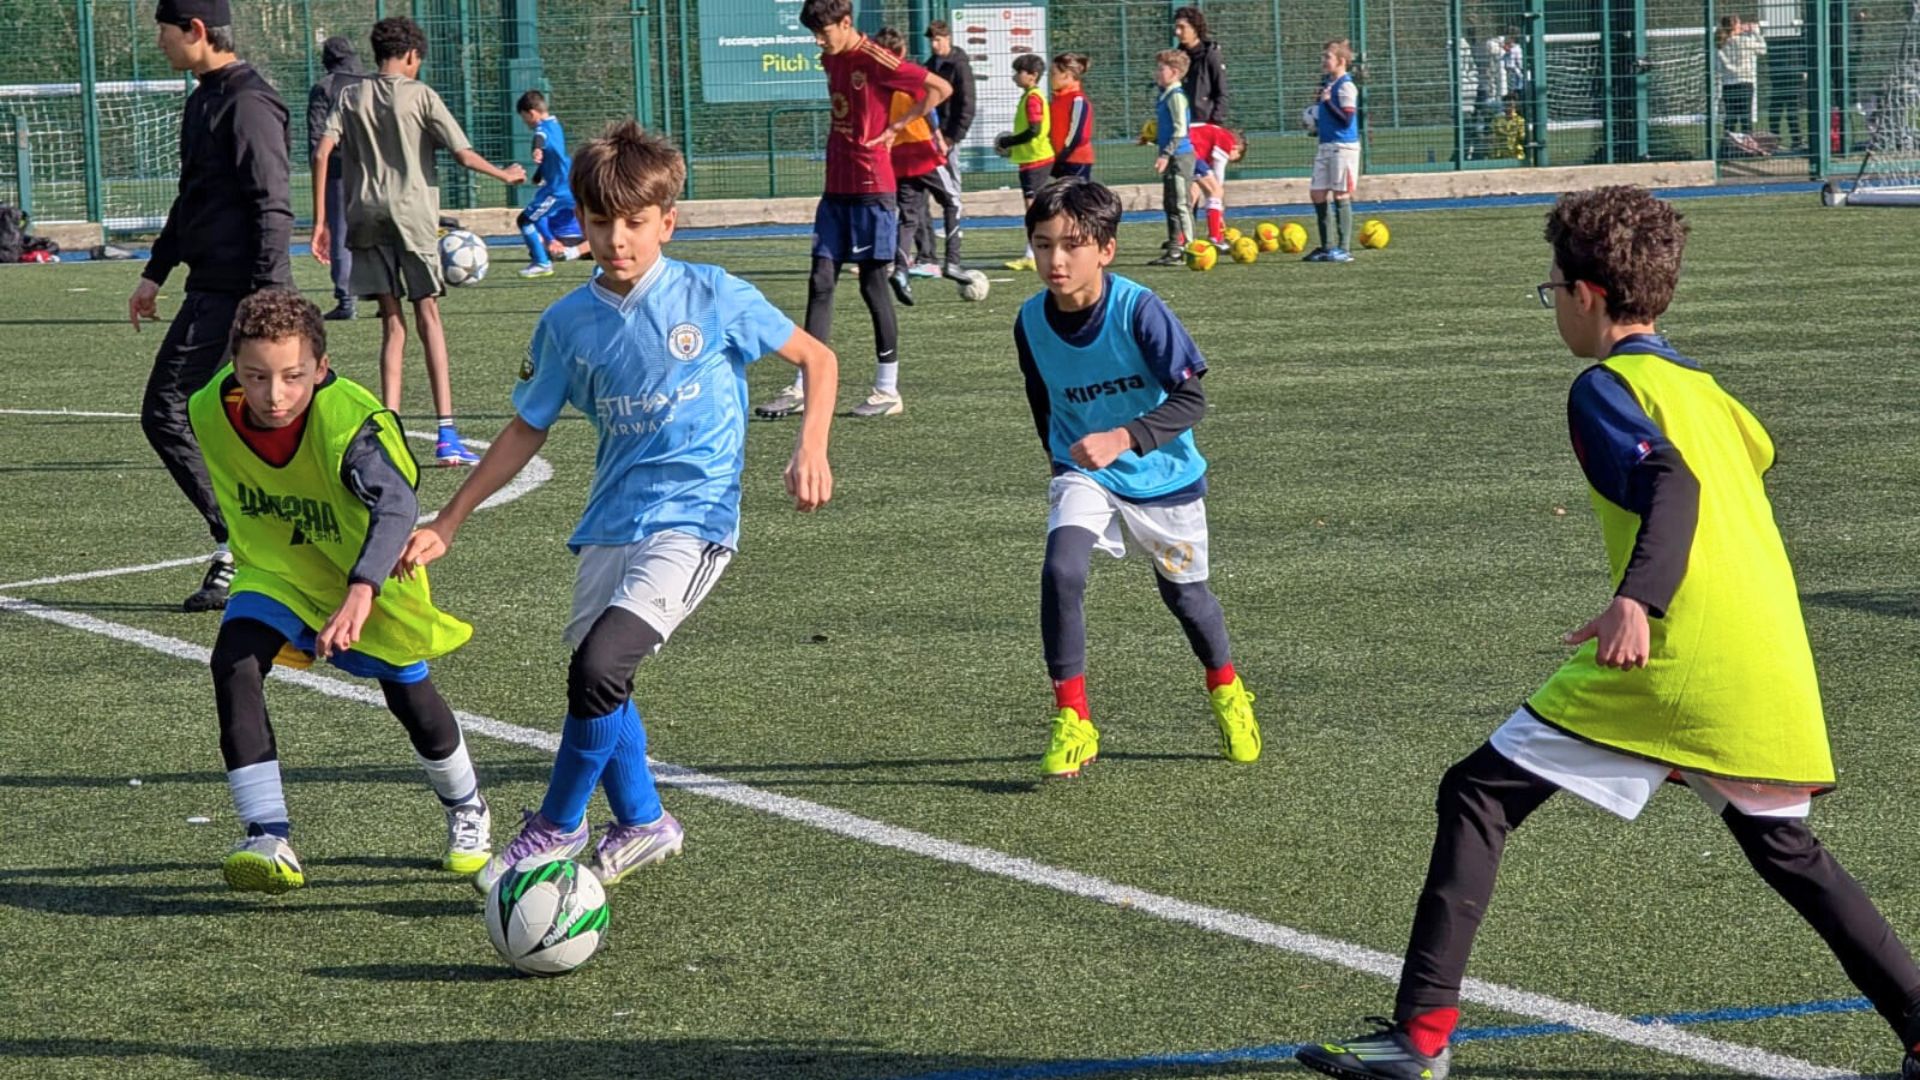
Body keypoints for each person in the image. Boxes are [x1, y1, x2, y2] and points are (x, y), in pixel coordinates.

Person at [1296, 186, 1920, 1080]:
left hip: (1674, 656)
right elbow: (1750, 457)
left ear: (1587, 295)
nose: (1552, 304)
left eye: (1552, 289)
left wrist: (1639, 599)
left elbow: (1673, 483)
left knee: (1477, 794)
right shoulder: (1708, 392)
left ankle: (1419, 1038)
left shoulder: (1605, 386)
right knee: (1787, 853)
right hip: (1766, 658)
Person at [397, 121, 838, 894]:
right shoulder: (568, 323)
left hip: (693, 521)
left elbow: (819, 359)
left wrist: (812, 447)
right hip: (609, 524)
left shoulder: (712, 295)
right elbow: (526, 427)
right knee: (600, 681)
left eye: (635, 222)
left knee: (601, 667)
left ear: (667, 220)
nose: (617, 239)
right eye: (600, 222)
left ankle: (556, 825)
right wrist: (449, 521)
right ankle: (642, 821)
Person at [189, 288, 489, 895]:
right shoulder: (208, 409)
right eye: (256, 376)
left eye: (293, 377)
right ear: (234, 366)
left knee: (409, 695)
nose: (275, 395)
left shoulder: (350, 422)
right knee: (234, 662)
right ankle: (266, 834)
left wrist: (361, 588)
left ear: (321, 369)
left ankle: (467, 807)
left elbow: (397, 504)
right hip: (280, 570)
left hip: (369, 569)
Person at [1014, 178, 1259, 779]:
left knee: (1187, 599)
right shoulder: (1029, 321)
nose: (1055, 260)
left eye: (1071, 245)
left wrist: (1123, 437)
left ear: (1106, 250)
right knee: (1061, 571)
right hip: (1084, 470)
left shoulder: (1140, 310)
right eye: (1043, 245)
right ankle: (1074, 721)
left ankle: (1227, 690)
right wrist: (1059, 462)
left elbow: (1191, 400)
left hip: (1162, 474)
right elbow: (1042, 398)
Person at [129, 0, 293, 613]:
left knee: (168, 410)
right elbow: (192, 196)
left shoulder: (248, 102)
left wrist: (266, 301)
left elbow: (272, 204)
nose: (161, 44)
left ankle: (240, 543)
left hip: (242, 295)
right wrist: (155, 272)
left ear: (196, 31)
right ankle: (256, 544)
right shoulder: (204, 99)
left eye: (165, 33)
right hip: (211, 289)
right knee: (220, 418)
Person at [311, 16, 526, 466]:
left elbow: (322, 150)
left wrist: (321, 222)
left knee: (392, 323)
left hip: (365, 217)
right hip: (412, 217)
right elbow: (463, 154)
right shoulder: (421, 95)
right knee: (428, 317)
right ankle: (447, 434)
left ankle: (389, 431)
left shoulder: (350, 96)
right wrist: (504, 175)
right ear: (411, 55)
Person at [753, 0, 948, 422]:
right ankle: (804, 384)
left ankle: (887, 389)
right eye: (813, 34)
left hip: (872, 189)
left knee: (872, 286)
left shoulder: (875, 58)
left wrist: (898, 126)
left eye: (823, 32)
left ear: (846, 23)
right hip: (835, 188)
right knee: (820, 281)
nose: (817, 41)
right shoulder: (830, 58)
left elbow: (939, 88)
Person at [873, 29, 963, 293]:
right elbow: (928, 107)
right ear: (901, 52)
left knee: (908, 217)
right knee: (953, 201)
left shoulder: (876, 83)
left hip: (897, 156)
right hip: (922, 150)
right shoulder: (908, 74)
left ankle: (901, 270)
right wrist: (938, 137)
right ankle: (952, 262)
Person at [307, 35, 365, 320]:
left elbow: (317, 138)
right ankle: (385, 296)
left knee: (340, 233)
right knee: (379, 233)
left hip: (339, 169)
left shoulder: (324, 87)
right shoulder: (371, 83)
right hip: (374, 169)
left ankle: (346, 299)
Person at [916, 20, 974, 278]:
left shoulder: (959, 65)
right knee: (924, 193)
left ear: (948, 38)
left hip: (947, 138)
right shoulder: (930, 65)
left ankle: (954, 236)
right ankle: (927, 252)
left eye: (938, 39)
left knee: (951, 189)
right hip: (929, 137)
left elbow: (967, 103)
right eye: (932, 40)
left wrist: (952, 137)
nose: (934, 44)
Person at [514, 89, 587, 278]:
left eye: (524, 118)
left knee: (525, 220)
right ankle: (547, 251)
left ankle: (542, 262)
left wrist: (536, 149)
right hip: (560, 185)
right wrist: (539, 173)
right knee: (535, 216)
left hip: (558, 190)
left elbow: (540, 138)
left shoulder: (542, 129)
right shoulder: (555, 125)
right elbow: (554, 154)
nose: (526, 123)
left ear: (532, 113)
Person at [995, 54, 1055, 272]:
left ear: (1033, 75)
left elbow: (1034, 130)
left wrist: (1008, 141)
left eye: (1018, 72)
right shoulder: (1030, 96)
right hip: (1031, 159)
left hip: (1036, 159)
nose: (1014, 76)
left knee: (1033, 210)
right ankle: (1036, 251)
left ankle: (1033, 254)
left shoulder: (1033, 98)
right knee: (1035, 209)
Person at [1302, 39, 1360, 263]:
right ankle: (1327, 246)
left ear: (1341, 61)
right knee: (1317, 192)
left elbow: (1346, 120)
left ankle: (1344, 249)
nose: (1323, 61)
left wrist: (1327, 103)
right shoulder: (1328, 84)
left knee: (1340, 194)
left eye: (1328, 57)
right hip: (1326, 144)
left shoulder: (1346, 86)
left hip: (1343, 147)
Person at [1147, 49, 1196, 268]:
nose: (1157, 73)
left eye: (1161, 69)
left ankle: (1191, 248)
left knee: (1181, 204)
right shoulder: (1165, 95)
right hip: (1171, 156)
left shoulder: (1176, 96)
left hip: (1180, 157)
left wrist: (1166, 154)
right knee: (1170, 203)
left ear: (1174, 72)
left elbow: (1180, 130)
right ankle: (1174, 248)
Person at [1188, 123, 1246, 249]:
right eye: (1233, 158)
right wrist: (1219, 213)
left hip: (1179, 149)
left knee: (1191, 196)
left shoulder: (1212, 134)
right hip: (1189, 152)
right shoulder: (1226, 140)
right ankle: (1216, 238)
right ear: (1236, 147)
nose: (1229, 160)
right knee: (1216, 191)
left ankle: (1182, 240)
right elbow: (1218, 179)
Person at [1173, 5, 1228, 126]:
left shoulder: (1211, 55)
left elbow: (1221, 92)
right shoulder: (1177, 56)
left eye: (1182, 27)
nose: (1177, 32)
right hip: (1181, 123)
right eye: (1176, 27)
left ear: (1195, 28)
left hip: (1205, 122)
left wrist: (1215, 122)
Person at [1716, 14, 1767, 136]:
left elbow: (1717, 67)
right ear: (1734, 26)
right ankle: (1747, 143)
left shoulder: (1720, 43)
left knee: (1730, 117)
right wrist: (1755, 32)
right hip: (1744, 82)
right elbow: (1763, 49)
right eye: (1739, 23)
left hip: (1728, 84)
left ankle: (1727, 143)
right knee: (1746, 118)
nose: (1741, 25)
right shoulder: (1744, 41)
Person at [1048, 52, 1095, 182]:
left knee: (1076, 194)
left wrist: (1062, 157)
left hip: (1076, 160)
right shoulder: (1057, 100)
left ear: (1067, 75)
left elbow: (1077, 134)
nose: (1051, 78)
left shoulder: (1077, 100)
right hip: (1062, 159)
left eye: (1054, 74)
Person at [1491, 92, 1527, 161]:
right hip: (1500, 155)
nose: (1509, 108)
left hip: (1516, 155)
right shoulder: (1497, 119)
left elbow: (1522, 137)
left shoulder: (1520, 120)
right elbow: (1492, 135)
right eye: (1507, 105)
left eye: (1512, 105)